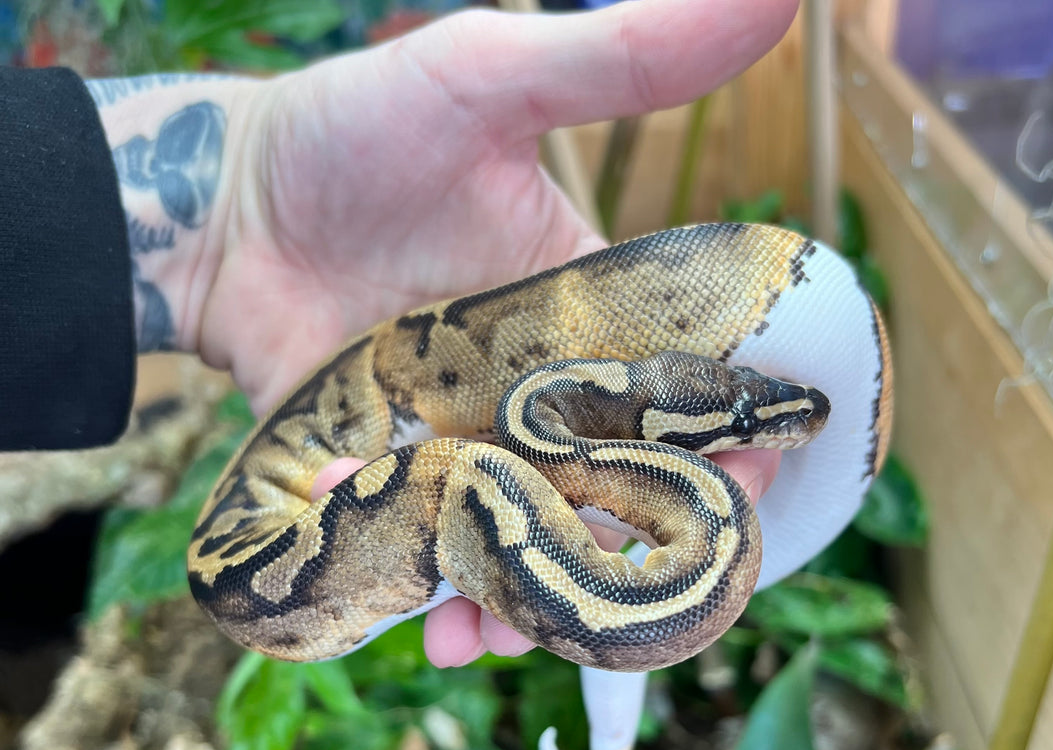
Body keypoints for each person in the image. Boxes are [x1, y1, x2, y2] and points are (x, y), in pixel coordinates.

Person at [0, 0, 794, 666]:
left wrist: (244, 184)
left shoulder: (571, 422)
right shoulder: (575, 434)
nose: (783, 416)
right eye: (753, 416)